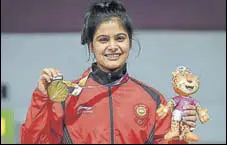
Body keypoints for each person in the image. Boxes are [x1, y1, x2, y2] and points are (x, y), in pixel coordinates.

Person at [20, 0, 197, 144]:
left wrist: (179, 134)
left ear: (130, 42)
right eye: (103, 40)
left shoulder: (153, 100)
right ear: (91, 46)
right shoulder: (66, 99)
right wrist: (41, 99)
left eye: (120, 38)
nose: (113, 47)